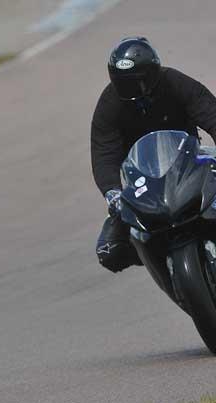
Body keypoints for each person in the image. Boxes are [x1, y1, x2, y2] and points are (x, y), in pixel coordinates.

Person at [91, 37, 216, 272]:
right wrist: (112, 192)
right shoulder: (109, 104)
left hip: (188, 163)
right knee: (109, 251)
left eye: (141, 81)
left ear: (155, 71)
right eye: (125, 84)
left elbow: (211, 113)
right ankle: (155, 258)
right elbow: (103, 152)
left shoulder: (176, 83)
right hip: (142, 177)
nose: (135, 90)